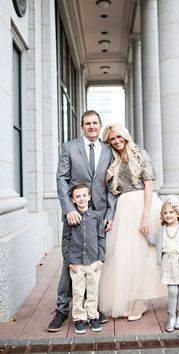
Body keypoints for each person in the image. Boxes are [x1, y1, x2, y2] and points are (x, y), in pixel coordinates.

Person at [48, 110, 116, 332]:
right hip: (76, 214)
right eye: (88, 123)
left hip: (99, 216)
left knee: (95, 263)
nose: (92, 126)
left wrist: (109, 214)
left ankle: (92, 309)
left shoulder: (108, 150)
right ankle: (61, 310)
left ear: (100, 124)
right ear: (82, 126)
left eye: (95, 123)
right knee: (73, 262)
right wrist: (68, 209)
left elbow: (112, 186)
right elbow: (61, 179)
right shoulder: (70, 147)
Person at [99, 123, 167, 321]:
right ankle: (127, 298)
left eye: (119, 137)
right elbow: (107, 189)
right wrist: (106, 177)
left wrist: (145, 215)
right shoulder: (111, 160)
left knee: (143, 254)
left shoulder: (140, 154)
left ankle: (140, 300)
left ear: (126, 137)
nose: (117, 141)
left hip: (144, 205)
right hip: (123, 207)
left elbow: (149, 185)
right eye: (113, 139)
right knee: (124, 254)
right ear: (109, 141)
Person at [145, 195, 179, 332]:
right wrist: (146, 234)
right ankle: (171, 316)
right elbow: (154, 242)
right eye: (165, 213)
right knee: (172, 290)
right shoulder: (162, 230)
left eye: (171, 212)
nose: (168, 215)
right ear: (162, 216)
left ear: (177, 213)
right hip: (168, 263)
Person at [62, 184, 105, 334]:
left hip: (93, 261)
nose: (81, 198)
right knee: (78, 291)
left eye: (83, 195)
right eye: (77, 196)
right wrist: (69, 261)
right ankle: (79, 318)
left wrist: (101, 259)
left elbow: (101, 237)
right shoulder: (70, 218)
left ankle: (93, 316)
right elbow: (65, 241)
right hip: (76, 262)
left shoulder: (96, 216)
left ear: (89, 197)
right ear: (73, 200)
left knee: (93, 290)